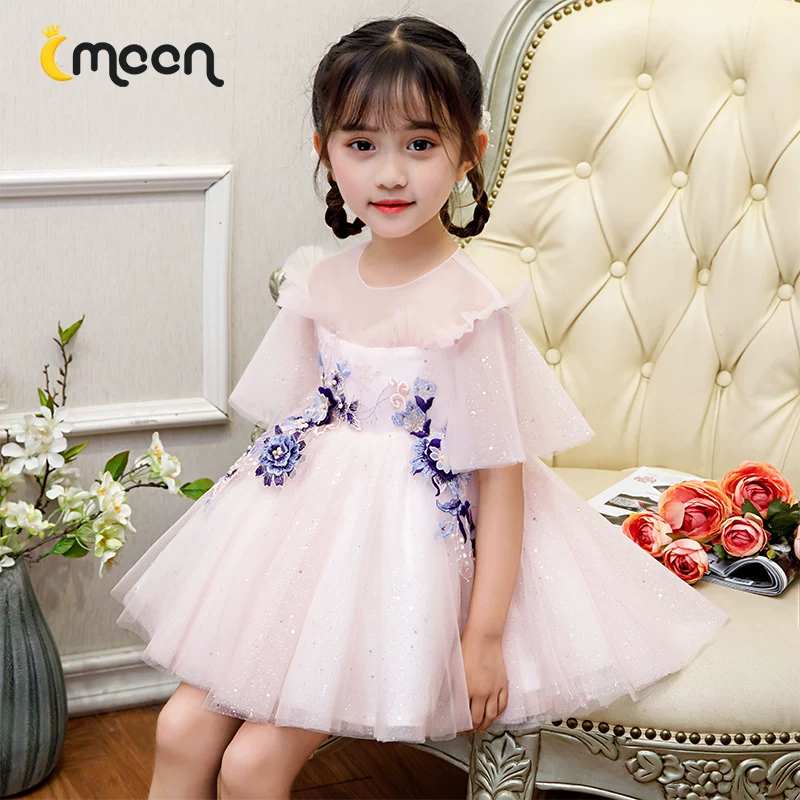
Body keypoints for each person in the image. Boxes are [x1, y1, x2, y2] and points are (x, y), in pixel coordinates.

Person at [110, 14, 730, 800]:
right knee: (179, 728)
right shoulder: (319, 283)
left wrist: (484, 634)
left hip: (410, 558)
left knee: (252, 764)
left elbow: (501, 476)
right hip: (301, 538)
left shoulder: (468, 308)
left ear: (470, 152)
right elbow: (295, 422)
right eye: (361, 144)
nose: (390, 174)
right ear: (325, 152)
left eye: (421, 144)